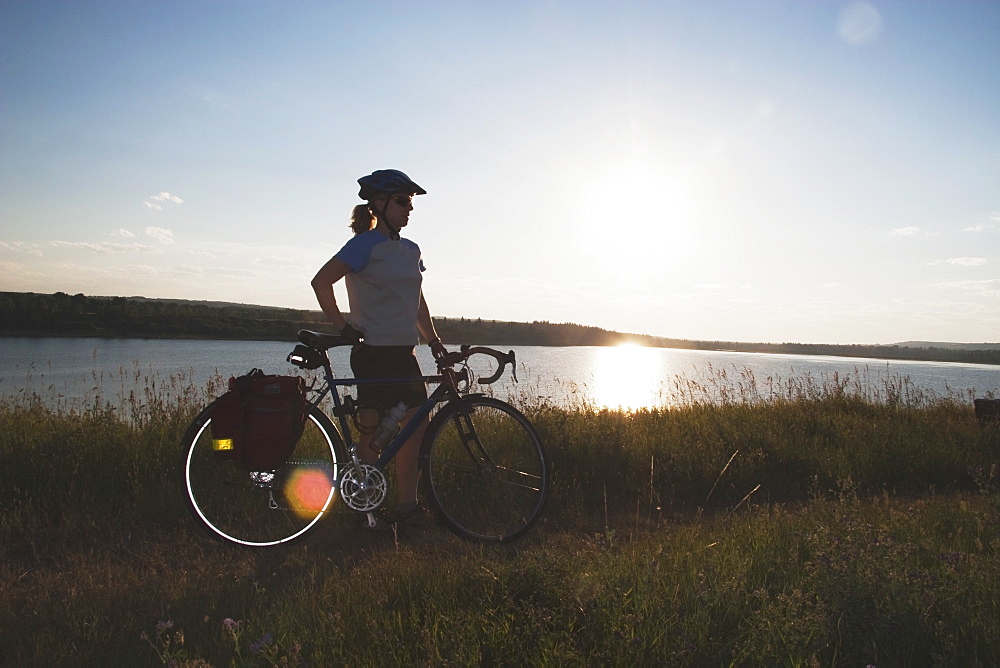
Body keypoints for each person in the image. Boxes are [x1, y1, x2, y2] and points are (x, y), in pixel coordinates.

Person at [311, 169, 447, 529]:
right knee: (373, 433)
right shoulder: (364, 244)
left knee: (413, 429)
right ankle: (364, 510)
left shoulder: (410, 250)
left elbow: (417, 301)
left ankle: (407, 507)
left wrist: (433, 341)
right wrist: (343, 327)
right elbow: (321, 281)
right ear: (380, 203)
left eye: (411, 203)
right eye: (402, 201)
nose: (409, 209)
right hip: (373, 353)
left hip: (405, 354)